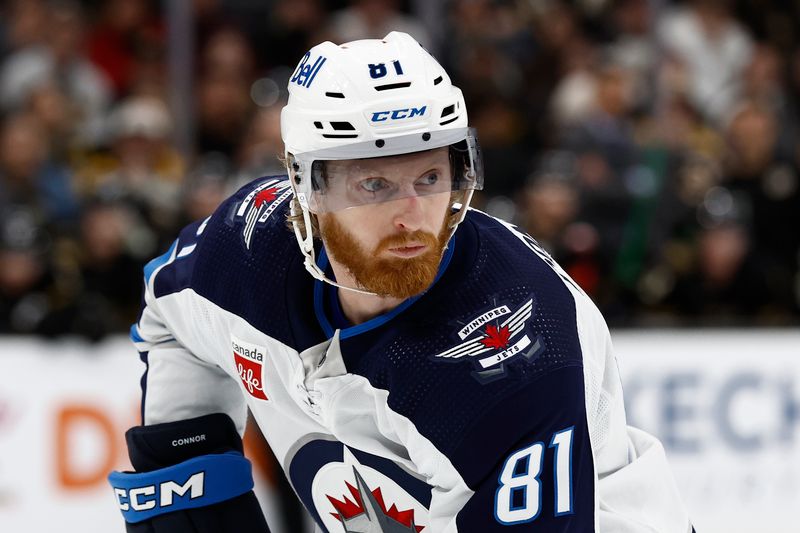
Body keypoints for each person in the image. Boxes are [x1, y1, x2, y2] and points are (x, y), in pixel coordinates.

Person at [108, 32, 693, 532]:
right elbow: (170, 317)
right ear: (308, 190)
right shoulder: (247, 254)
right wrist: (191, 481)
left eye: (430, 175)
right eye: (374, 184)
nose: (413, 214)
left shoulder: (513, 365)